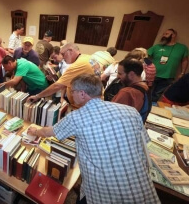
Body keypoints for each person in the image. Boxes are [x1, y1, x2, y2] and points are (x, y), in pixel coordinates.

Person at [27, 74, 160, 204]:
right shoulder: (131, 111)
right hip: (142, 188)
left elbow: (49, 132)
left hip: (104, 191)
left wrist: (35, 131)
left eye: (72, 91)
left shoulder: (76, 117)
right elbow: (144, 144)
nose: (71, 95)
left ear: (82, 94)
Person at [27, 43, 94, 105]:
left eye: (63, 54)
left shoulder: (77, 65)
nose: (63, 57)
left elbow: (57, 86)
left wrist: (37, 96)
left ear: (70, 50)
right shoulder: (87, 57)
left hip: (85, 104)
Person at [148, 28, 188, 102]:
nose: (164, 36)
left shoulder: (182, 48)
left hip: (168, 77)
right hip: (153, 74)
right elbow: (145, 55)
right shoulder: (157, 47)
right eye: (163, 34)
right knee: (147, 92)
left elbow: (184, 60)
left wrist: (182, 73)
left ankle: (152, 108)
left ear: (173, 35)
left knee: (157, 94)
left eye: (166, 34)